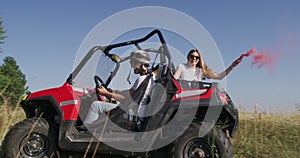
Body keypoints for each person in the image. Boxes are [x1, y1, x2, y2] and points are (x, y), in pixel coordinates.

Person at [83, 50, 157, 126]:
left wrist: (106, 93)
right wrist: (112, 91)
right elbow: (128, 93)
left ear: (143, 64)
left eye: (134, 63)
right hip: (136, 114)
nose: (132, 66)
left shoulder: (142, 79)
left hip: (133, 115)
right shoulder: (149, 78)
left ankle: (85, 131)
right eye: (131, 63)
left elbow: (126, 97)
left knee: (96, 105)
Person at [174, 49, 241, 81]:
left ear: (199, 59)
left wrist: (231, 67)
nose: (194, 59)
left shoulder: (200, 71)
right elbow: (174, 79)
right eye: (192, 56)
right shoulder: (181, 67)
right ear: (188, 57)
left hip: (195, 98)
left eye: (197, 57)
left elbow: (219, 76)